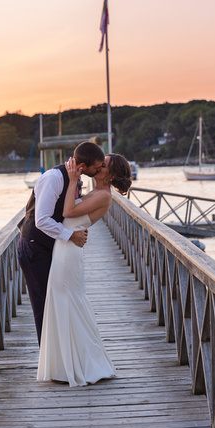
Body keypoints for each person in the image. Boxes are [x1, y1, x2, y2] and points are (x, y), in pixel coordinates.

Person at [37, 153, 132, 387]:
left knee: (68, 301)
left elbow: (68, 212)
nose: (99, 165)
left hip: (68, 251)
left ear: (109, 173)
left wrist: (71, 180)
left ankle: (81, 365)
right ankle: (64, 366)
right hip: (65, 246)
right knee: (61, 301)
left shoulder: (102, 196)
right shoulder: (93, 191)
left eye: (104, 164)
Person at [17, 141, 106, 345]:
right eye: (98, 167)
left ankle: (61, 357)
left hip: (51, 247)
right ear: (83, 167)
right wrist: (70, 235)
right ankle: (50, 364)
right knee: (43, 306)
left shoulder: (76, 180)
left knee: (56, 303)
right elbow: (42, 220)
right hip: (34, 246)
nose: (100, 170)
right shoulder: (53, 178)